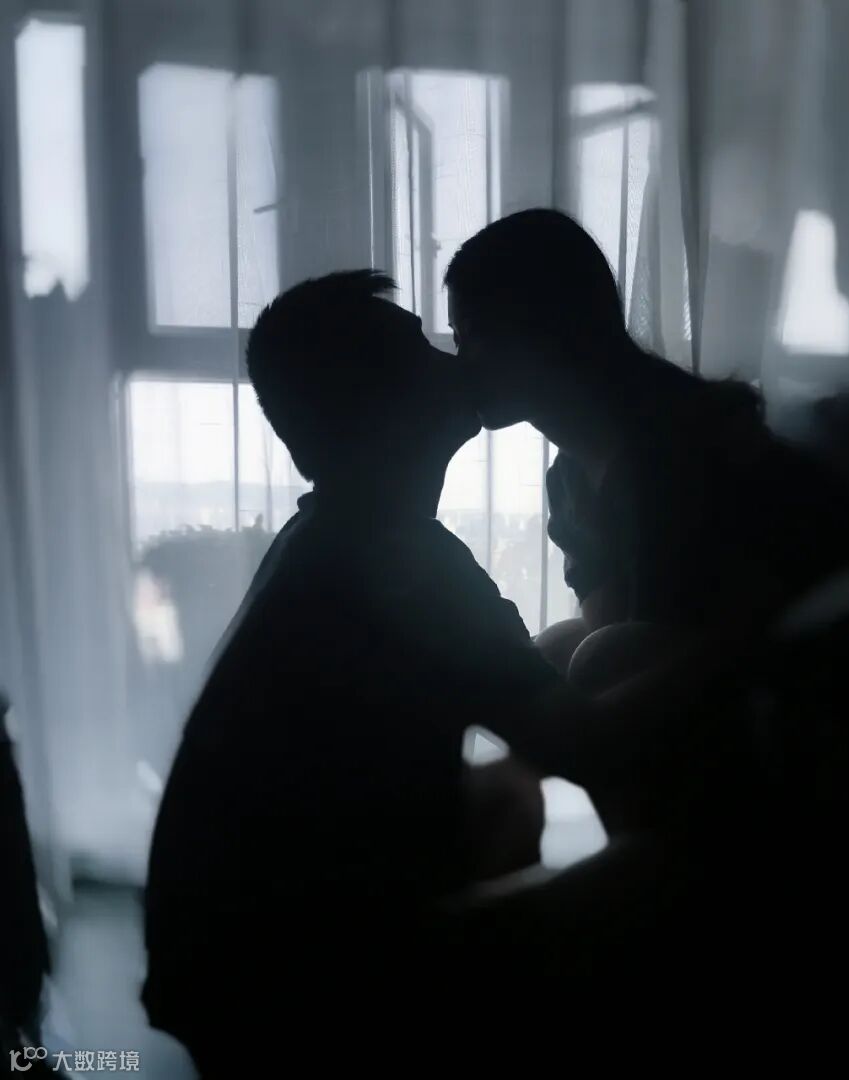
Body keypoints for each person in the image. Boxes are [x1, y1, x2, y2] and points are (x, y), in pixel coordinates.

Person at [142, 271, 590, 1072]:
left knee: (508, 799)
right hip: (286, 989)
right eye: (419, 351)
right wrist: (741, 643)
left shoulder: (330, 534)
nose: (455, 359)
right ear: (379, 405)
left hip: (220, 953)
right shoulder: (403, 562)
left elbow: (512, 683)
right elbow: (583, 744)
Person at [446, 209, 849, 685]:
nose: (460, 361)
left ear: (544, 325)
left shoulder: (668, 444)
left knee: (593, 661)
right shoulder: (570, 479)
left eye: (474, 334)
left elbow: (666, 633)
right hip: (741, 634)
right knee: (557, 651)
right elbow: (619, 624)